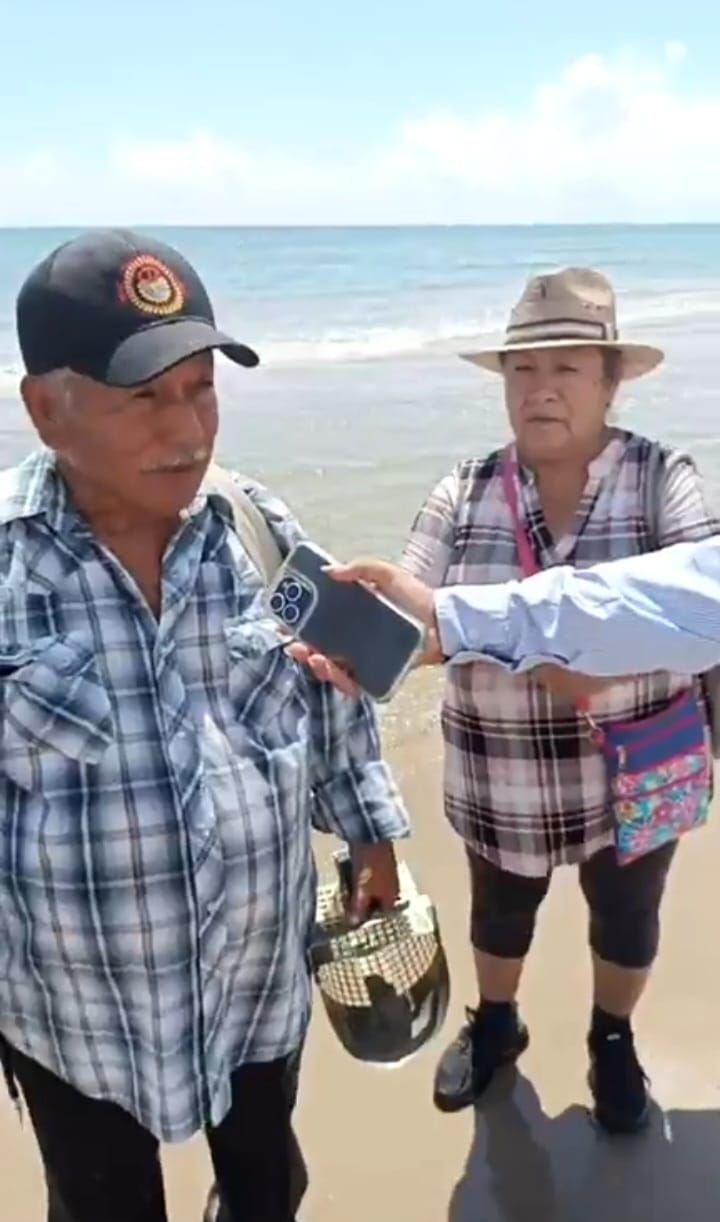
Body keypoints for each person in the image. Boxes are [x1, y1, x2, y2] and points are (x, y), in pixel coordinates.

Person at [0, 228, 409, 1222]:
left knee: (270, 1187)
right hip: (77, 1016)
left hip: (257, 984)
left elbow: (336, 692)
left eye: (200, 388)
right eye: (144, 397)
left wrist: (371, 835)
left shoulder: (255, 529)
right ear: (47, 407)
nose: (187, 429)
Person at [292, 267, 719, 1136]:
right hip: (504, 781)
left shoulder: (662, 478)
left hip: (637, 776)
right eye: (524, 372)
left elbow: (696, 603)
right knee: (499, 916)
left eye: (567, 369)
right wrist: (354, 644)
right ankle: (495, 1023)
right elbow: (411, 609)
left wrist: (541, 647)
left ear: (611, 381)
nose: (542, 390)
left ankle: (611, 1037)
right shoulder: (463, 489)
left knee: (629, 921)